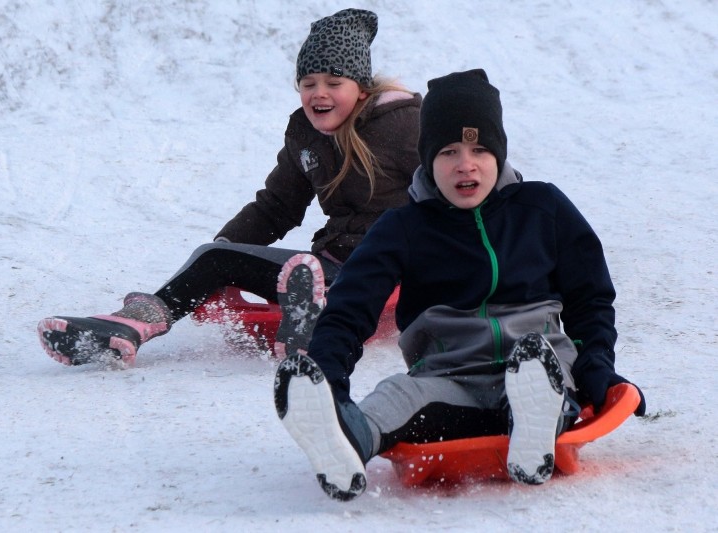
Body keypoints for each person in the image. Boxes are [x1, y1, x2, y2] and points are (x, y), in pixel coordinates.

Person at [273, 69, 648, 501]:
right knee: (395, 396)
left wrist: (596, 365)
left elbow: (590, 297)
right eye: (448, 151)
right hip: (448, 381)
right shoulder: (404, 227)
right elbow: (349, 308)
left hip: (538, 365)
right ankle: (343, 443)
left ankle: (533, 427)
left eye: (480, 149)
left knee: (540, 376)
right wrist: (331, 384)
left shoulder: (542, 208)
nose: (464, 164)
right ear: (428, 160)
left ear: (499, 156)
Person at [37, 8, 422, 366]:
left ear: (362, 91)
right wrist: (225, 257)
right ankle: (129, 326)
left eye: (334, 82)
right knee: (215, 257)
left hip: (390, 270)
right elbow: (276, 207)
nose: (319, 93)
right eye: (308, 83)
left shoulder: (403, 126)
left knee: (312, 275)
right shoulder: (305, 136)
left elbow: (453, 189)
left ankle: (316, 319)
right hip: (330, 268)